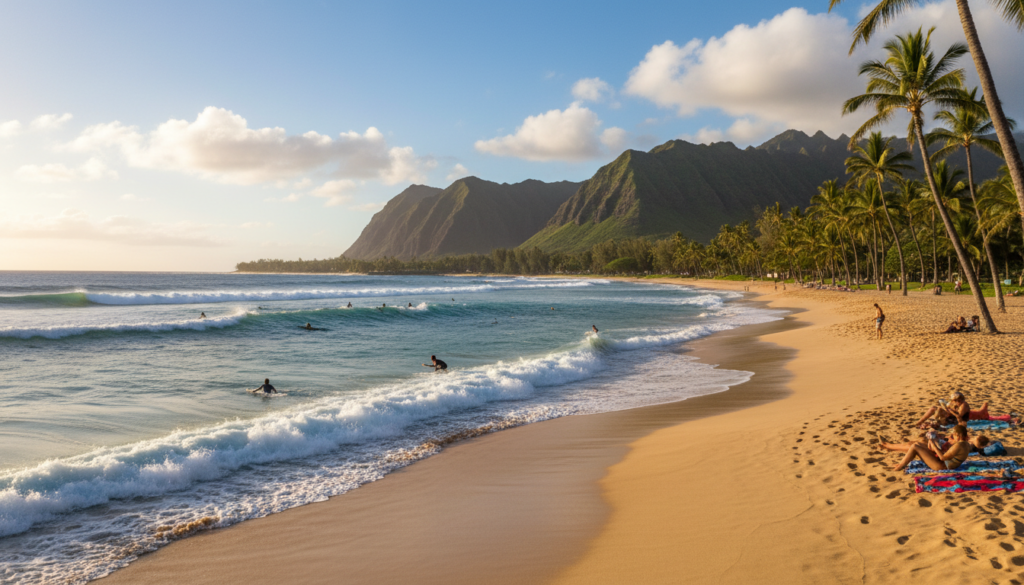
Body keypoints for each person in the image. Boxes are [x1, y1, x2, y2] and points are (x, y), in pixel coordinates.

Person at [892, 424, 970, 471]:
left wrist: (934, 447)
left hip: (941, 466)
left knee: (914, 446)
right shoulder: (965, 444)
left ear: (957, 435)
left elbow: (943, 458)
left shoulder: (958, 445)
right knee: (918, 444)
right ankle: (901, 464)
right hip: (945, 464)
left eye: (953, 435)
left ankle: (900, 466)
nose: (952, 436)